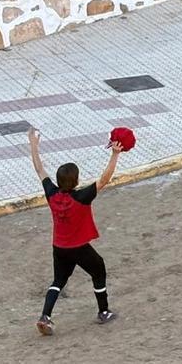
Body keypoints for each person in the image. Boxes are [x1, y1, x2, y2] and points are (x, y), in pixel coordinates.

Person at [29, 127, 122, 336]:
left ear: (59, 181)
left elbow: (39, 170)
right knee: (98, 269)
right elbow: (105, 178)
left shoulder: (52, 194)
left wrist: (33, 145)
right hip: (78, 246)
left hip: (59, 247)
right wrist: (115, 154)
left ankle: (45, 316)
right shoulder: (81, 197)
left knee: (58, 281)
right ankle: (103, 311)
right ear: (76, 181)